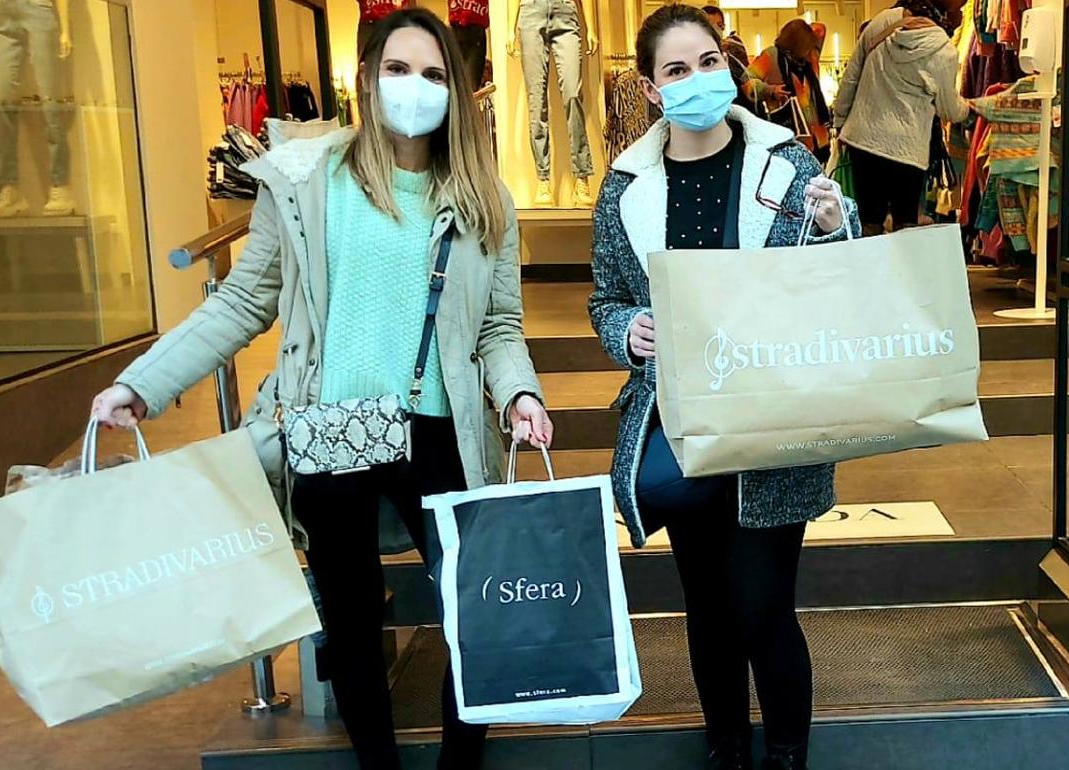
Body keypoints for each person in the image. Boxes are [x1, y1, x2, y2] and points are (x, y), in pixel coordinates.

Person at [92, 9, 553, 770]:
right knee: (347, 619)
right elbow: (243, 302)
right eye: (398, 70)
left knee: (474, 610)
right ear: (366, 77)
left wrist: (519, 396)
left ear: (458, 91)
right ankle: (378, 763)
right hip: (329, 424)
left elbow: (499, 326)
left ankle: (460, 762)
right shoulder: (310, 181)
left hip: (439, 429)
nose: (414, 88)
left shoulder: (483, 197)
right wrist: (142, 384)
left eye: (434, 75)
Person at [588, 5, 858, 770]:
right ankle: (727, 750)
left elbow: (840, 276)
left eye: (709, 62)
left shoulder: (786, 161)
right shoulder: (625, 188)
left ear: (729, 65)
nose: (699, 79)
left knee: (764, 606)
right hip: (681, 420)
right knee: (705, 609)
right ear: (649, 88)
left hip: (774, 421)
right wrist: (627, 333)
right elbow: (605, 296)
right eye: (677, 70)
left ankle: (785, 755)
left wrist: (839, 224)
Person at [831, 0, 970, 233]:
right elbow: (949, 109)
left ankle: (869, 268)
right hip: (907, 149)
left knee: (868, 222)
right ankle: (902, 269)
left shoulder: (885, 20)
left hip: (864, 140)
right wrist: (969, 108)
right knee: (906, 224)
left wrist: (840, 123)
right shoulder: (943, 50)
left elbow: (851, 77)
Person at [742, 19, 833, 163]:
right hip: (789, 137)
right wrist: (770, 90)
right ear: (798, 43)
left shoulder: (810, 57)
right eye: (806, 43)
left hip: (818, 139)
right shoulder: (772, 56)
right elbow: (746, 82)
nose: (810, 47)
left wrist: (804, 30)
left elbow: (820, 28)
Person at [701, 4, 750, 72]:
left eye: (719, 25)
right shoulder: (694, 52)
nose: (716, 29)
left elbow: (746, 76)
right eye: (710, 26)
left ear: (723, 27)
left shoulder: (733, 47)